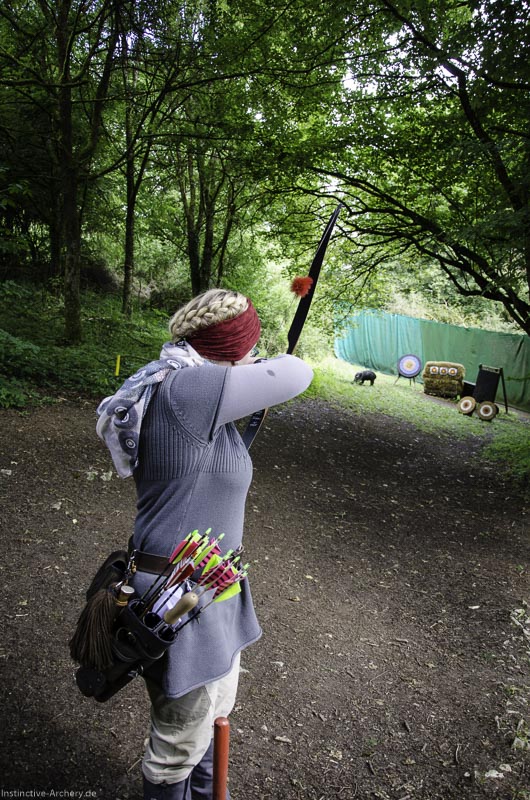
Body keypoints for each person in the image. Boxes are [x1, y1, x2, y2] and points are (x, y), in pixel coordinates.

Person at [96, 289, 313, 800]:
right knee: (176, 745)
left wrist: (248, 362)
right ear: (233, 346)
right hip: (179, 598)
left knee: (211, 718)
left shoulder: (183, 385)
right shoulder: (190, 390)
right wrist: (263, 362)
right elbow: (298, 373)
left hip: (211, 584)